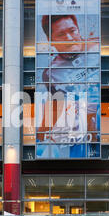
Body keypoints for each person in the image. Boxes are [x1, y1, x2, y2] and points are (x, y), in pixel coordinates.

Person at [36, 14, 99, 155]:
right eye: (61, 35)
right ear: (50, 40)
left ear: (78, 29)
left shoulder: (98, 48)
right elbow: (55, 106)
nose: (70, 38)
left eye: (72, 31)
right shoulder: (51, 73)